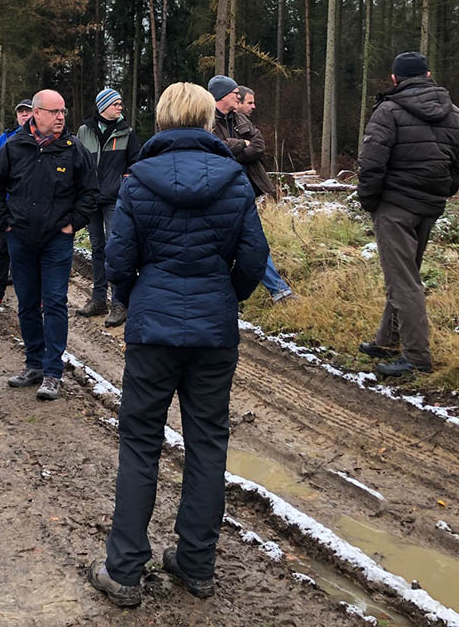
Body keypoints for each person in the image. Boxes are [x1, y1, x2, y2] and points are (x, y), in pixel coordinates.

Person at [88, 82, 268, 607]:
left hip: (154, 332)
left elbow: (119, 262)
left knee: (140, 442)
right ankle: (196, 564)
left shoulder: (138, 181)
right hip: (213, 330)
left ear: (164, 119)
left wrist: (136, 296)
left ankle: (123, 570)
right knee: (208, 443)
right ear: (208, 121)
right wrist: (222, 295)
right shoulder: (234, 180)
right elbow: (253, 257)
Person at [357, 51, 459, 378]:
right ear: (429, 75)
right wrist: (441, 192)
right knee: (404, 276)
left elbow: (371, 163)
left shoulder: (388, 111)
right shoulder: (458, 116)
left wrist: (371, 202)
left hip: (394, 207)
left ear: (395, 79)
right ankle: (387, 340)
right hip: (428, 207)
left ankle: (417, 357)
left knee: (404, 283)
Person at [0, 89, 98, 401]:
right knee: (28, 303)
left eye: (63, 112)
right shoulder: (14, 146)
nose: (61, 117)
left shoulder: (74, 149)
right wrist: (4, 220)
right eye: (54, 112)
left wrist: (73, 223)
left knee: (55, 303)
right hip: (20, 238)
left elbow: (90, 192)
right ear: (36, 113)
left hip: (56, 242)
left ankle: (52, 372)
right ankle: (33, 364)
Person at [208, 75, 296, 303]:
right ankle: (227, 295)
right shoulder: (205, 118)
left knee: (254, 241)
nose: (239, 97)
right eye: (235, 94)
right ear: (222, 96)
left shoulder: (240, 120)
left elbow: (258, 147)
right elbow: (214, 148)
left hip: (245, 188)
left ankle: (278, 291)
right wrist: (241, 145)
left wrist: (237, 149)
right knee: (227, 244)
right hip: (219, 191)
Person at [75, 87, 141, 327]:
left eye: (121, 104)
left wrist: (126, 181)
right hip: (91, 199)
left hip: (115, 200)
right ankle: (98, 299)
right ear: (103, 106)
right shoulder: (84, 131)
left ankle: (119, 302)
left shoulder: (127, 132)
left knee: (116, 249)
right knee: (97, 249)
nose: (120, 107)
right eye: (116, 104)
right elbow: (77, 163)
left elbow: (135, 163)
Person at [0, 100, 33, 303]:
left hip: (32, 207)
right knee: (0, 250)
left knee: (30, 253)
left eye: (27, 111)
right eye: (21, 112)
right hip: (6, 207)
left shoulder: (44, 139)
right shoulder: (5, 138)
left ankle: (32, 295)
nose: (24, 115)